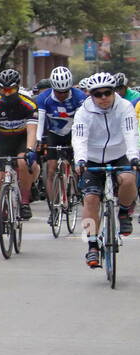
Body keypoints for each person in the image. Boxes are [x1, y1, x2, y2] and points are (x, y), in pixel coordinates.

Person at [73, 72, 140, 268]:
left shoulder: (125, 107)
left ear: (113, 92)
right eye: (97, 94)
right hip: (92, 158)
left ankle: (125, 212)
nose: (103, 98)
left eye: (107, 93)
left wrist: (134, 156)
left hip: (120, 153)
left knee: (129, 179)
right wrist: (81, 160)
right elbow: (79, 138)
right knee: (91, 199)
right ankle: (92, 245)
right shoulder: (83, 111)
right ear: (91, 95)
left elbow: (130, 132)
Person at [0, 68, 38, 229]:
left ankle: (24, 201)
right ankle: (1, 214)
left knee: (24, 163)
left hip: (21, 140)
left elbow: (32, 132)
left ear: (17, 87)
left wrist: (31, 150)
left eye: (10, 89)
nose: (7, 93)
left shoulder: (28, 104)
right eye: (3, 90)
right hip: (2, 143)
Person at [35, 66, 86, 226]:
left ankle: (79, 187)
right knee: (50, 169)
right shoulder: (43, 98)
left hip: (74, 132)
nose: (62, 95)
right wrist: (37, 140)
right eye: (58, 92)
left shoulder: (80, 96)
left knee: (77, 164)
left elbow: (81, 121)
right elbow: (40, 120)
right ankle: (54, 208)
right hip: (53, 134)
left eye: (65, 91)